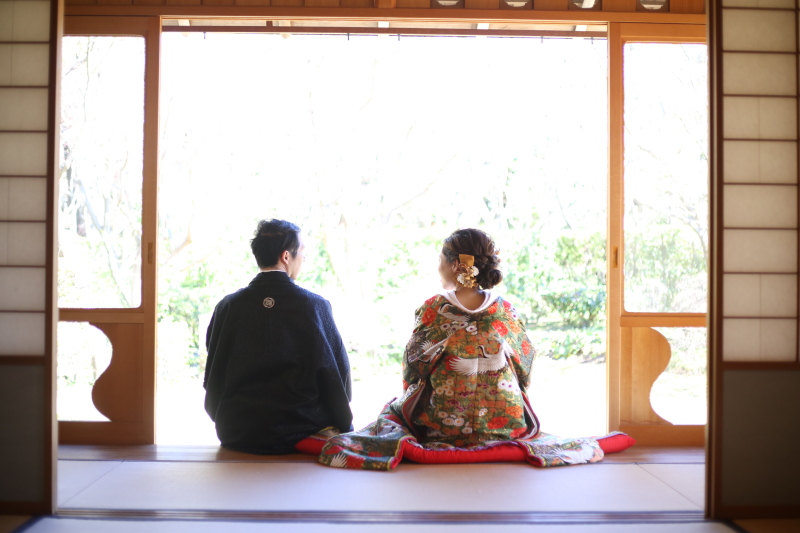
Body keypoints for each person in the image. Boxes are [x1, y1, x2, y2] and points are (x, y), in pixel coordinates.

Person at [318, 228, 602, 470]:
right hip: (505, 424)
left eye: (440, 260)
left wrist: (414, 388)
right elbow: (525, 363)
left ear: (456, 265)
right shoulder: (505, 310)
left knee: (396, 409)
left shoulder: (434, 308)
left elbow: (414, 366)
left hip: (442, 427)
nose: (438, 266)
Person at [204, 219, 353, 454]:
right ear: (286, 256)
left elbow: (214, 369)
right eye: (303, 252)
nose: (304, 258)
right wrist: (343, 422)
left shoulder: (228, 306)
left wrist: (221, 414)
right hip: (302, 429)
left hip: (237, 430)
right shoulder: (314, 306)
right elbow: (338, 373)